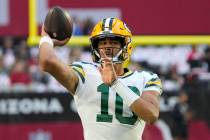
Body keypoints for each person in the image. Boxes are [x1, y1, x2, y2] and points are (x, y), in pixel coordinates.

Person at [39, 17, 162, 140]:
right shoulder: (84, 73)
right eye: (103, 43)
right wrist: (46, 38)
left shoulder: (145, 78)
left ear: (126, 46)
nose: (107, 48)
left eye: (113, 42)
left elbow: (151, 116)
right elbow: (47, 62)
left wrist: (116, 83)